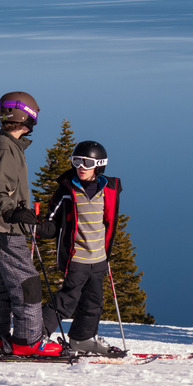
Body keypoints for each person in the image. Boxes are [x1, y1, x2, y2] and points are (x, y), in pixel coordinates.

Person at [0, 91, 62, 357]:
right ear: (26, 116)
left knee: (2, 286)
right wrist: (13, 214)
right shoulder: (5, 148)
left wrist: (18, 214)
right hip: (6, 229)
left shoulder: (6, 144)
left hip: (2, 228)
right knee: (27, 284)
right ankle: (28, 341)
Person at [36, 140, 123, 356]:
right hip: (77, 260)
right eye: (77, 161)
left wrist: (107, 254)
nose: (81, 167)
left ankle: (82, 339)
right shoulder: (66, 191)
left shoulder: (109, 190)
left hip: (99, 259)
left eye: (87, 163)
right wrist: (36, 225)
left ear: (99, 165)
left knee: (93, 303)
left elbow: (108, 222)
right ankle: (36, 336)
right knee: (67, 300)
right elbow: (52, 224)